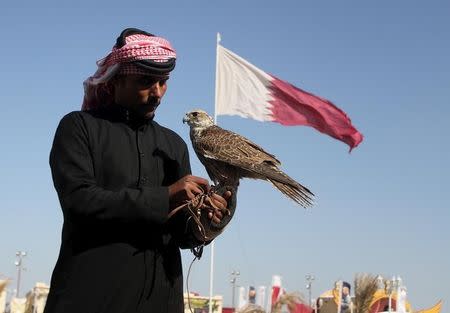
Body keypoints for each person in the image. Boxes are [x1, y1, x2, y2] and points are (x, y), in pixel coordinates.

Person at [44, 27, 231, 313]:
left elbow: (180, 233)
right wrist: (166, 195)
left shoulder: (173, 144)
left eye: (163, 82)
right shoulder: (78, 128)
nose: (157, 93)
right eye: (146, 81)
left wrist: (209, 219)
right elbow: (79, 202)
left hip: (160, 302)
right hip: (90, 297)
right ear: (116, 78)